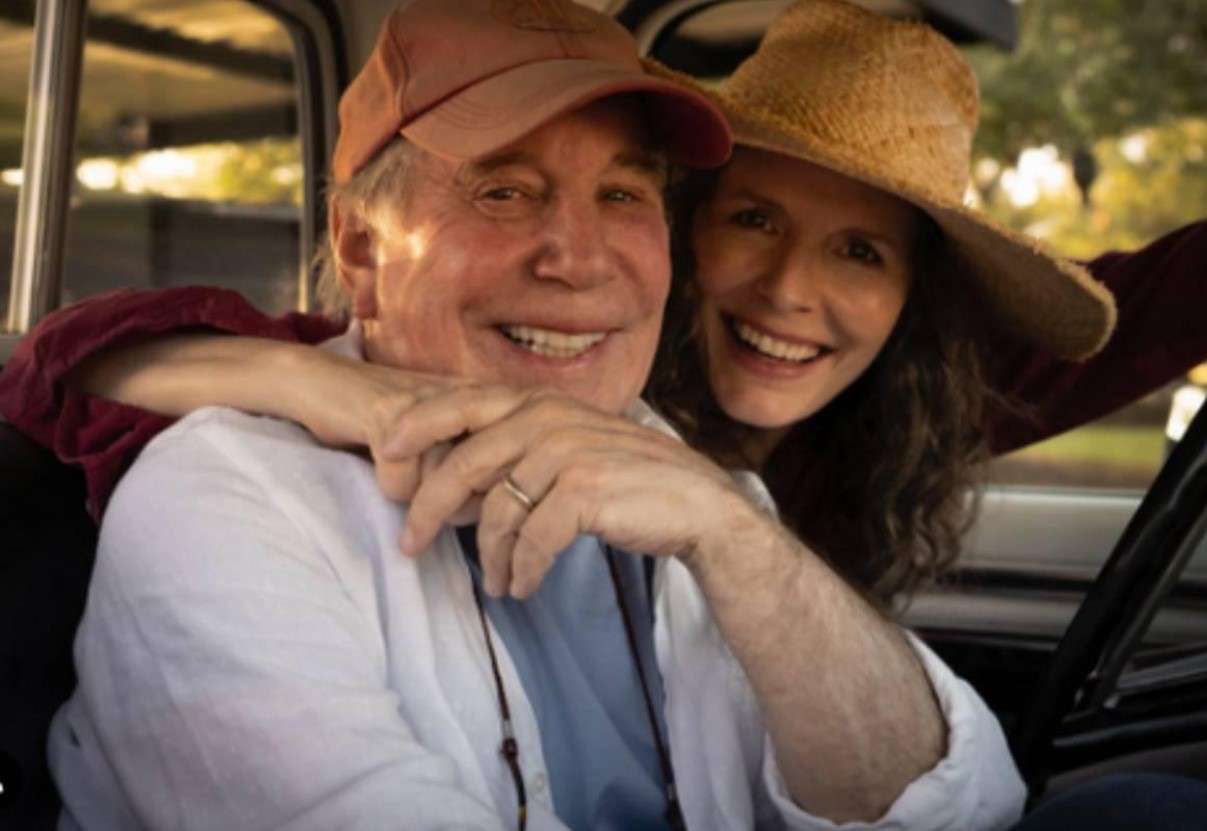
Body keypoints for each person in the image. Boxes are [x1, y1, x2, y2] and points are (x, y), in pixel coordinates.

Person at [43, 0, 1027, 828]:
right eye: (505, 191)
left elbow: (966, 804)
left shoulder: (682, 480)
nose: (580, 257)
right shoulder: (230, 498)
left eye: (623, 195)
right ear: (361, 250)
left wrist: (743, 540)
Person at [2, 2, 1207, 610]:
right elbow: (61, 366)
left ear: (909, 303)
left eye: (860, 251)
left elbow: (1197, 289)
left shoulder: (898, 419)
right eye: (752, 220)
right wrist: (323, 382)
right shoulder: (561, 372)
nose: (793, 295)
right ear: (690, 234)